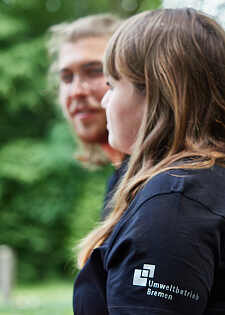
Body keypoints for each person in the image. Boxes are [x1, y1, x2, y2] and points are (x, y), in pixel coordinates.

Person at [73, 8, 225, 315]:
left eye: (112, 86)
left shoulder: (176, 201)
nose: (104, 101)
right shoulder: (204, 184)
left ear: (156, 93)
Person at [47, 14, 126, 218]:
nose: (76, 91)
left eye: (94, 71)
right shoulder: (121, 182)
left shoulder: (164, 180)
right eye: (66, 77)